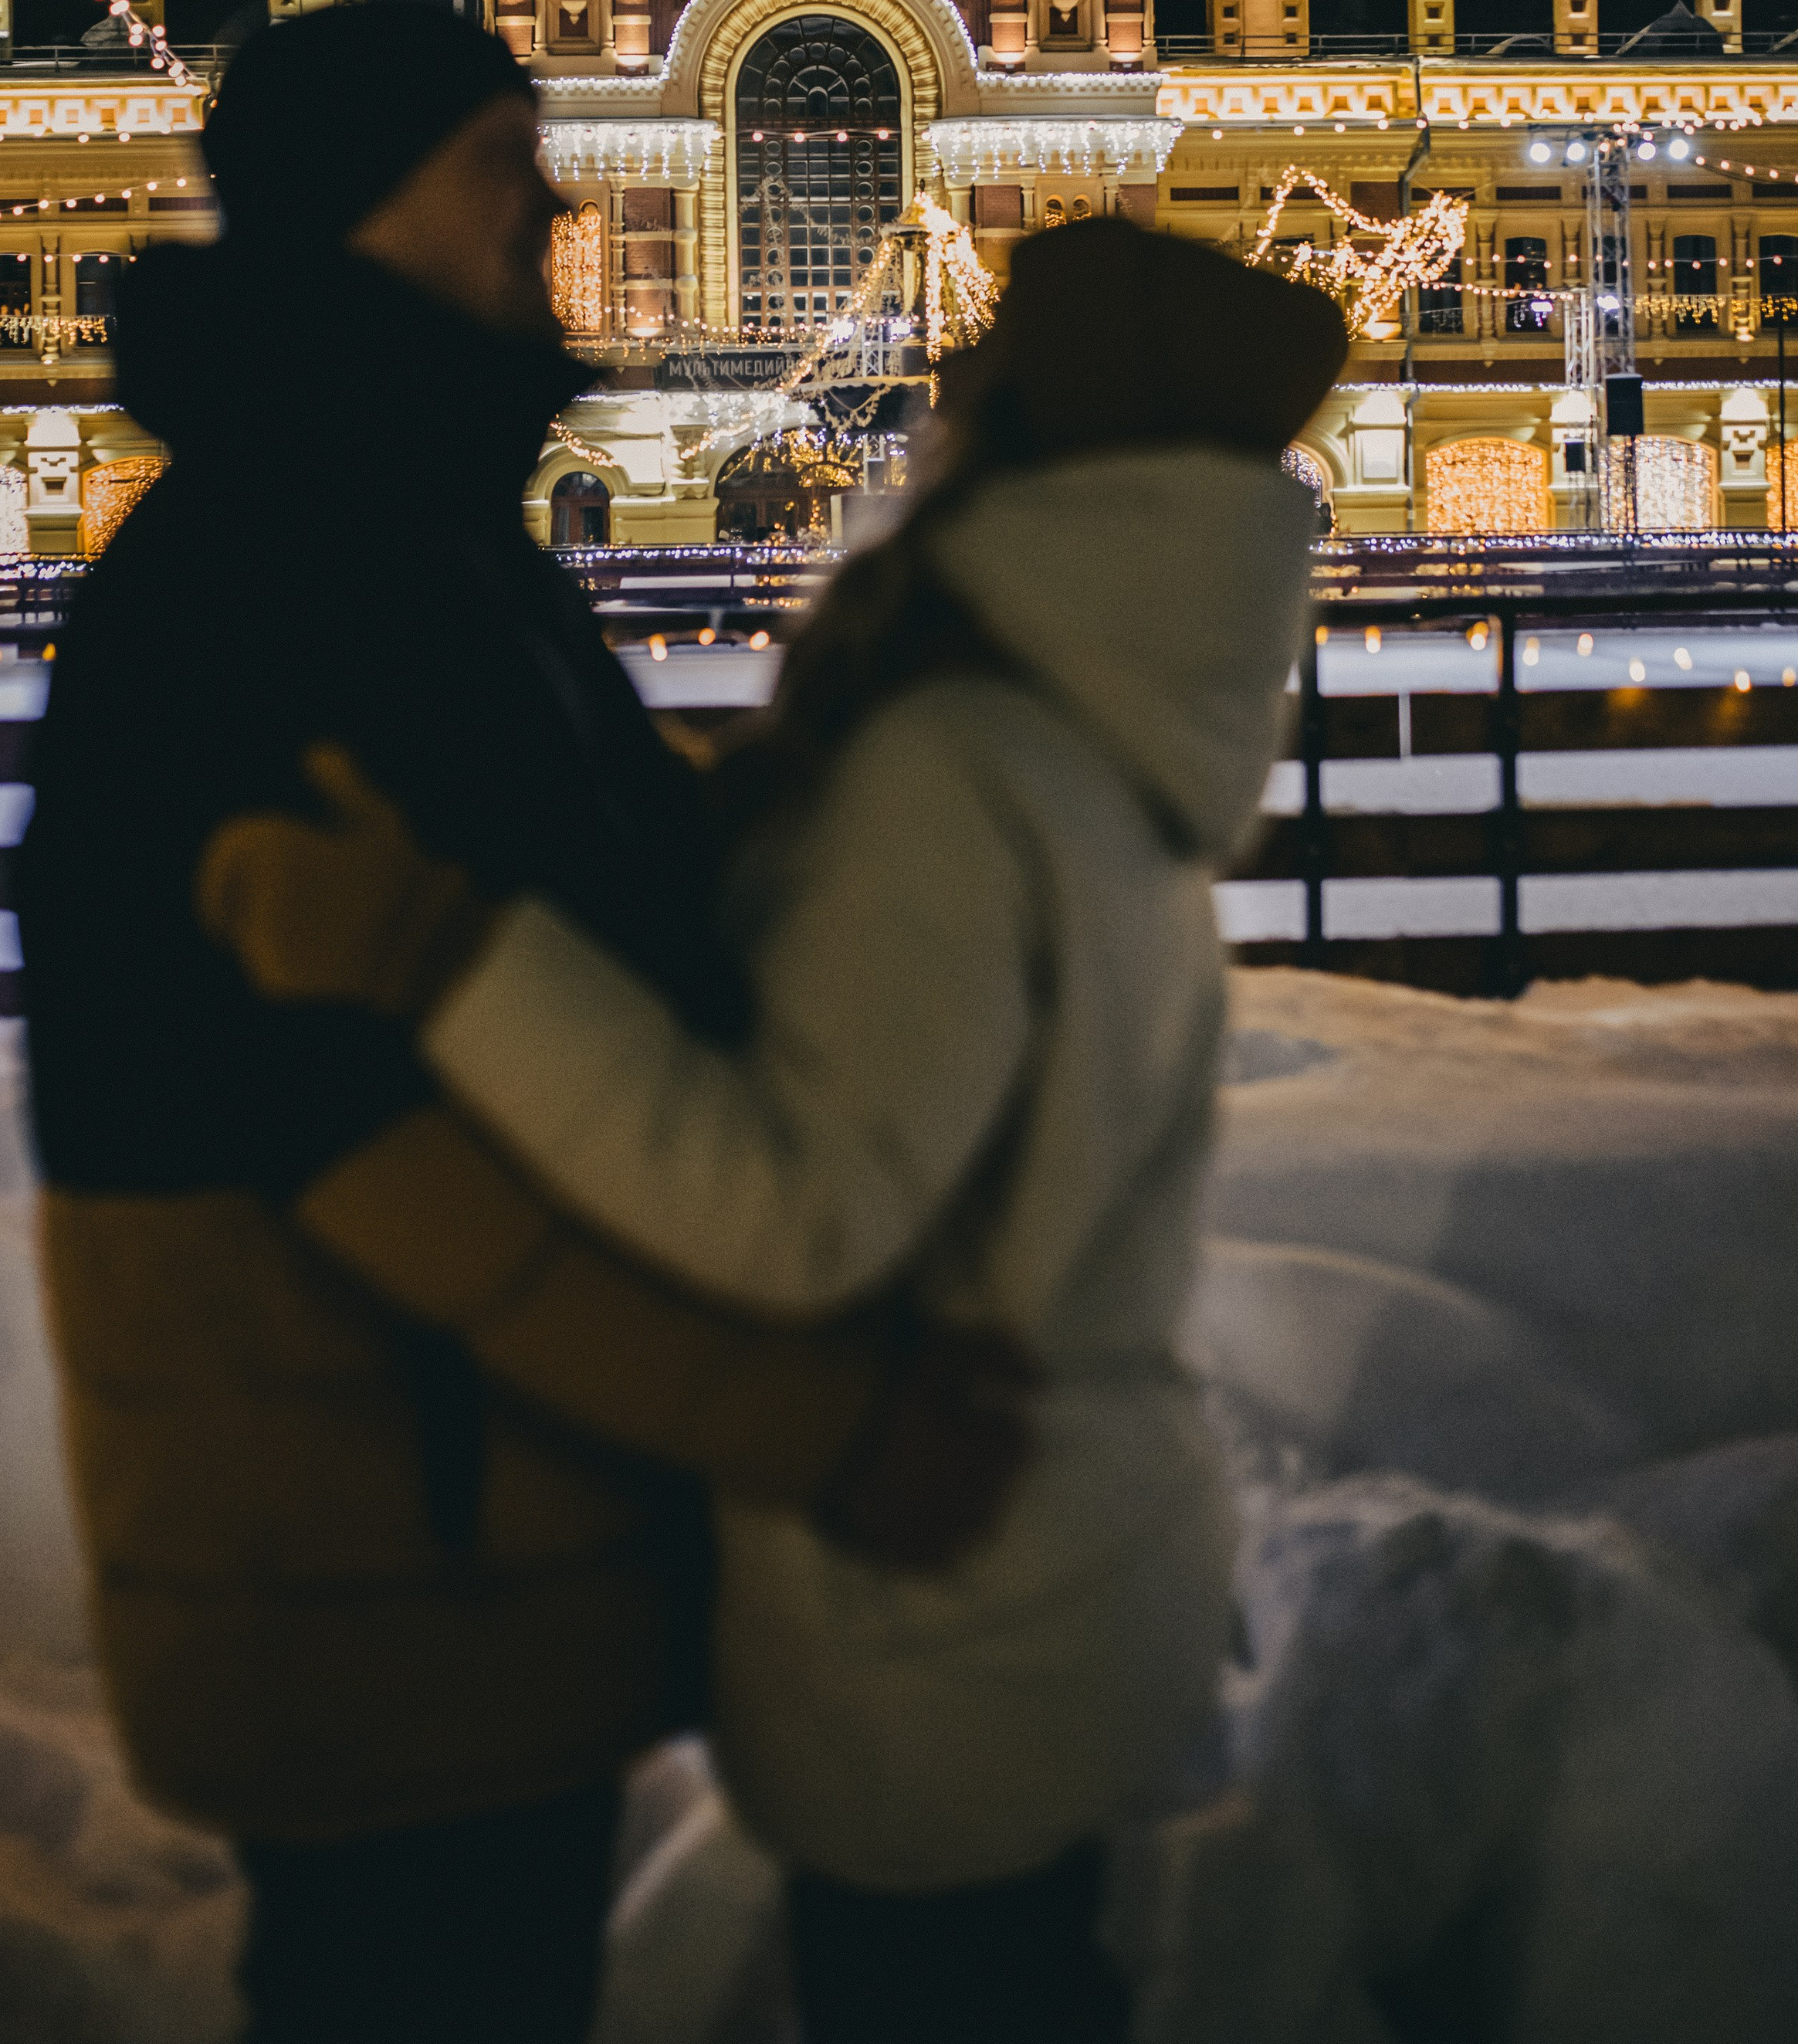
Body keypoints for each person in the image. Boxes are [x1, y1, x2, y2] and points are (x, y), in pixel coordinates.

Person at [195, 214, 1349, 2044]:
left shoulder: (957, 765)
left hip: (934, 1599)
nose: (939, 394)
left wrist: (442, 956)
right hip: (1045, 1555)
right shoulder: (1086, 745)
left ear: (1039, 435)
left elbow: (791, 1202)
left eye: (982, 374)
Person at [15, 2, 1028, 2044]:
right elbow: (349, 1129)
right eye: (503, 156)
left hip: (455, 1524)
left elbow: (607, 871)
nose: (557, 196)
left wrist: (865, 757)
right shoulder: (287, 560)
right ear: (362, 204)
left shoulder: (416, 524)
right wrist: (818, 1428)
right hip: (379, 1522)